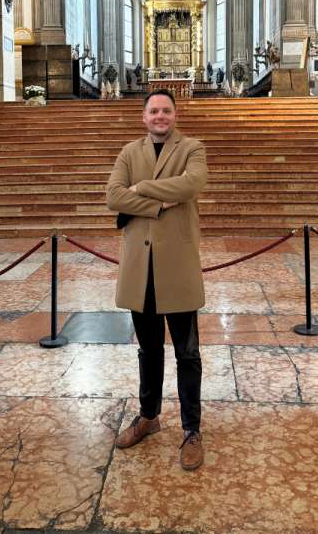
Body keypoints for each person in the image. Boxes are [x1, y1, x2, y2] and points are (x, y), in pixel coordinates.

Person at [106, 89, 208, 470]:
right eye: (154, 111)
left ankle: (192, 431)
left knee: (188, 354)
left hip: (178, 266)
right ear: (144, 117)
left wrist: (142, 188)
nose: (160, 116)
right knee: (149, 351)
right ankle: (148, 416)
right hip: (140, 268)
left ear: (175, 115)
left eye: (166, 110)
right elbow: (113, 197)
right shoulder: (129, 152)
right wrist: (159, 202)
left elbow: (191, 185)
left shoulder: (193, 148)